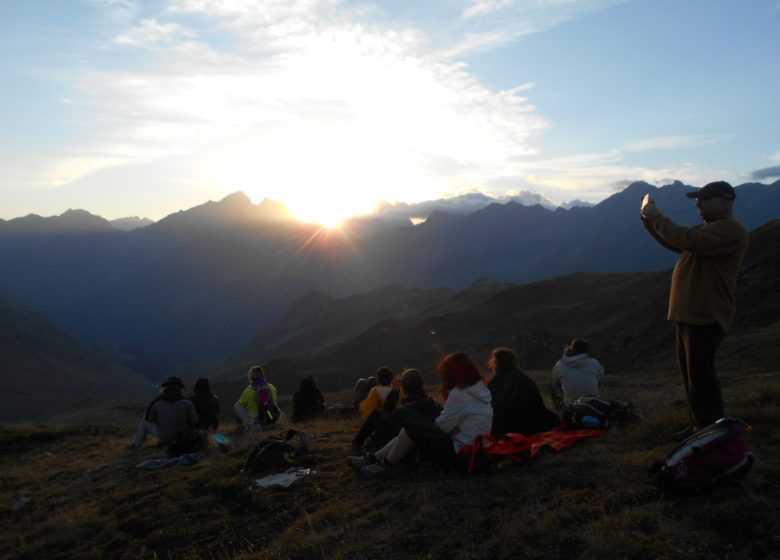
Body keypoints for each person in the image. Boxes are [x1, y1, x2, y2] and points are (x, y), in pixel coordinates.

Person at [641, 181, 748, 440]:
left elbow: (688, 240)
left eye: (704, 199)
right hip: (690, 312)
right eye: (697, 199)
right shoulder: (710, 229)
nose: (698, 203)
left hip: (705, 313)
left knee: (701, 376)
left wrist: (655, 216)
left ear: (725, 200)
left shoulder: (729, 230)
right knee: (692, 375)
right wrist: (649, 221)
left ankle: (711, 432)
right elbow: (678, 243)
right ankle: (699, 425)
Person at [351, 352, 492, 478]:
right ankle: (374, 459)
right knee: (413, 427)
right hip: (478, 451)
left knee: (413, 426)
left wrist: (441, 424)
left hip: (462, 454)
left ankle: (384, 464)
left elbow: (443, 426)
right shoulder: (479, 390)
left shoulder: (459, 393)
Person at [350, 369, 441, 454]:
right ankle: (373, 439)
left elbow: (386, 414)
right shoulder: (434, 405)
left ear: (404, 388)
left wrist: (394, 392)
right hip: (426, 444)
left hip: (402, 441)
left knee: (376, 414)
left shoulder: (405, 411)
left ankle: (358, 442)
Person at [488, 347, 560, 435]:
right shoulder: (526, 379)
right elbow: (538, 407)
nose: (491, 364)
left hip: (503, 427)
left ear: (499, 363)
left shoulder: (495, 382)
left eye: (493, 361)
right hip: (530, 424)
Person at [132, 376, 200, 452]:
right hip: (182, 436)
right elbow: (195, 421)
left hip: (163, 436)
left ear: (166, 388)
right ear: (180, 388)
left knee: (144, 419)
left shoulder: (157, 402)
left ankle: (136, 445)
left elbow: (149, 419)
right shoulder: (187, 402)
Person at [550, 339, 605, 408]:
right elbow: (601, 372)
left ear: (571, 349)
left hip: (571, 406)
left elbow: (554, 377)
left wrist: (565, 356)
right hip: (593, 404)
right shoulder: (594, 363)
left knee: (553, 385)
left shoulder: (560, 364)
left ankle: (560, 410)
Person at [233, 365, 281, 431]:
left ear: (251, 376)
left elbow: (242, 404)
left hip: (257, 419)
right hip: (272, 415)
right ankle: (274, 422)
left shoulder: (248, 390)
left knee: (237, 405)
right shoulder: (271, 387)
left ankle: (249, 426)